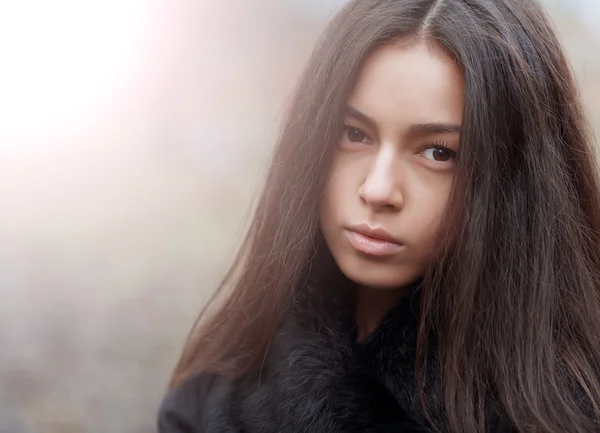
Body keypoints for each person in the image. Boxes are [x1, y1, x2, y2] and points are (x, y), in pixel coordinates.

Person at [157, 0, 600, 431]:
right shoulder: (211, 400)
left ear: (516, 181)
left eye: (438, 152)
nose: (378, 189)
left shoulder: (571, 410)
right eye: (354, 134)